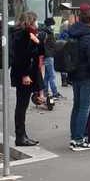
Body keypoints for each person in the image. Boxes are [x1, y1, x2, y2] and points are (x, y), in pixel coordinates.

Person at [67, 4, 90, 151]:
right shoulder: (89, 37)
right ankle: (80, 139)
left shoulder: (74, 33)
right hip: (87, 76)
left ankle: (74, 137)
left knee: (77, 106)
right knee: (84, 108)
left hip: (75, 74)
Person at [11, 11, 43, 146]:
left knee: (23, 105)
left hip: (28, 74)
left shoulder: (30, 34)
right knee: (21, 106)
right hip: (25, 75)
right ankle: (20, 136)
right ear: (30, 21)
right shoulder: (22, 35)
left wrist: (38, 42)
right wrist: (25, 74)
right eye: (35, 20)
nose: (37, 23)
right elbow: (21, 57)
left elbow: (41, 52)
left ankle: (23, 135)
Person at [40, 17, 61, 99]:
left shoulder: (44, 32)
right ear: (50, 24)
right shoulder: (48, 33)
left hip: (46, 55)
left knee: (47, 76)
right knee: (52, 75)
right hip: (49, 55)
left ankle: (45, 91)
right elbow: (52, 44)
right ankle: (55, 92)